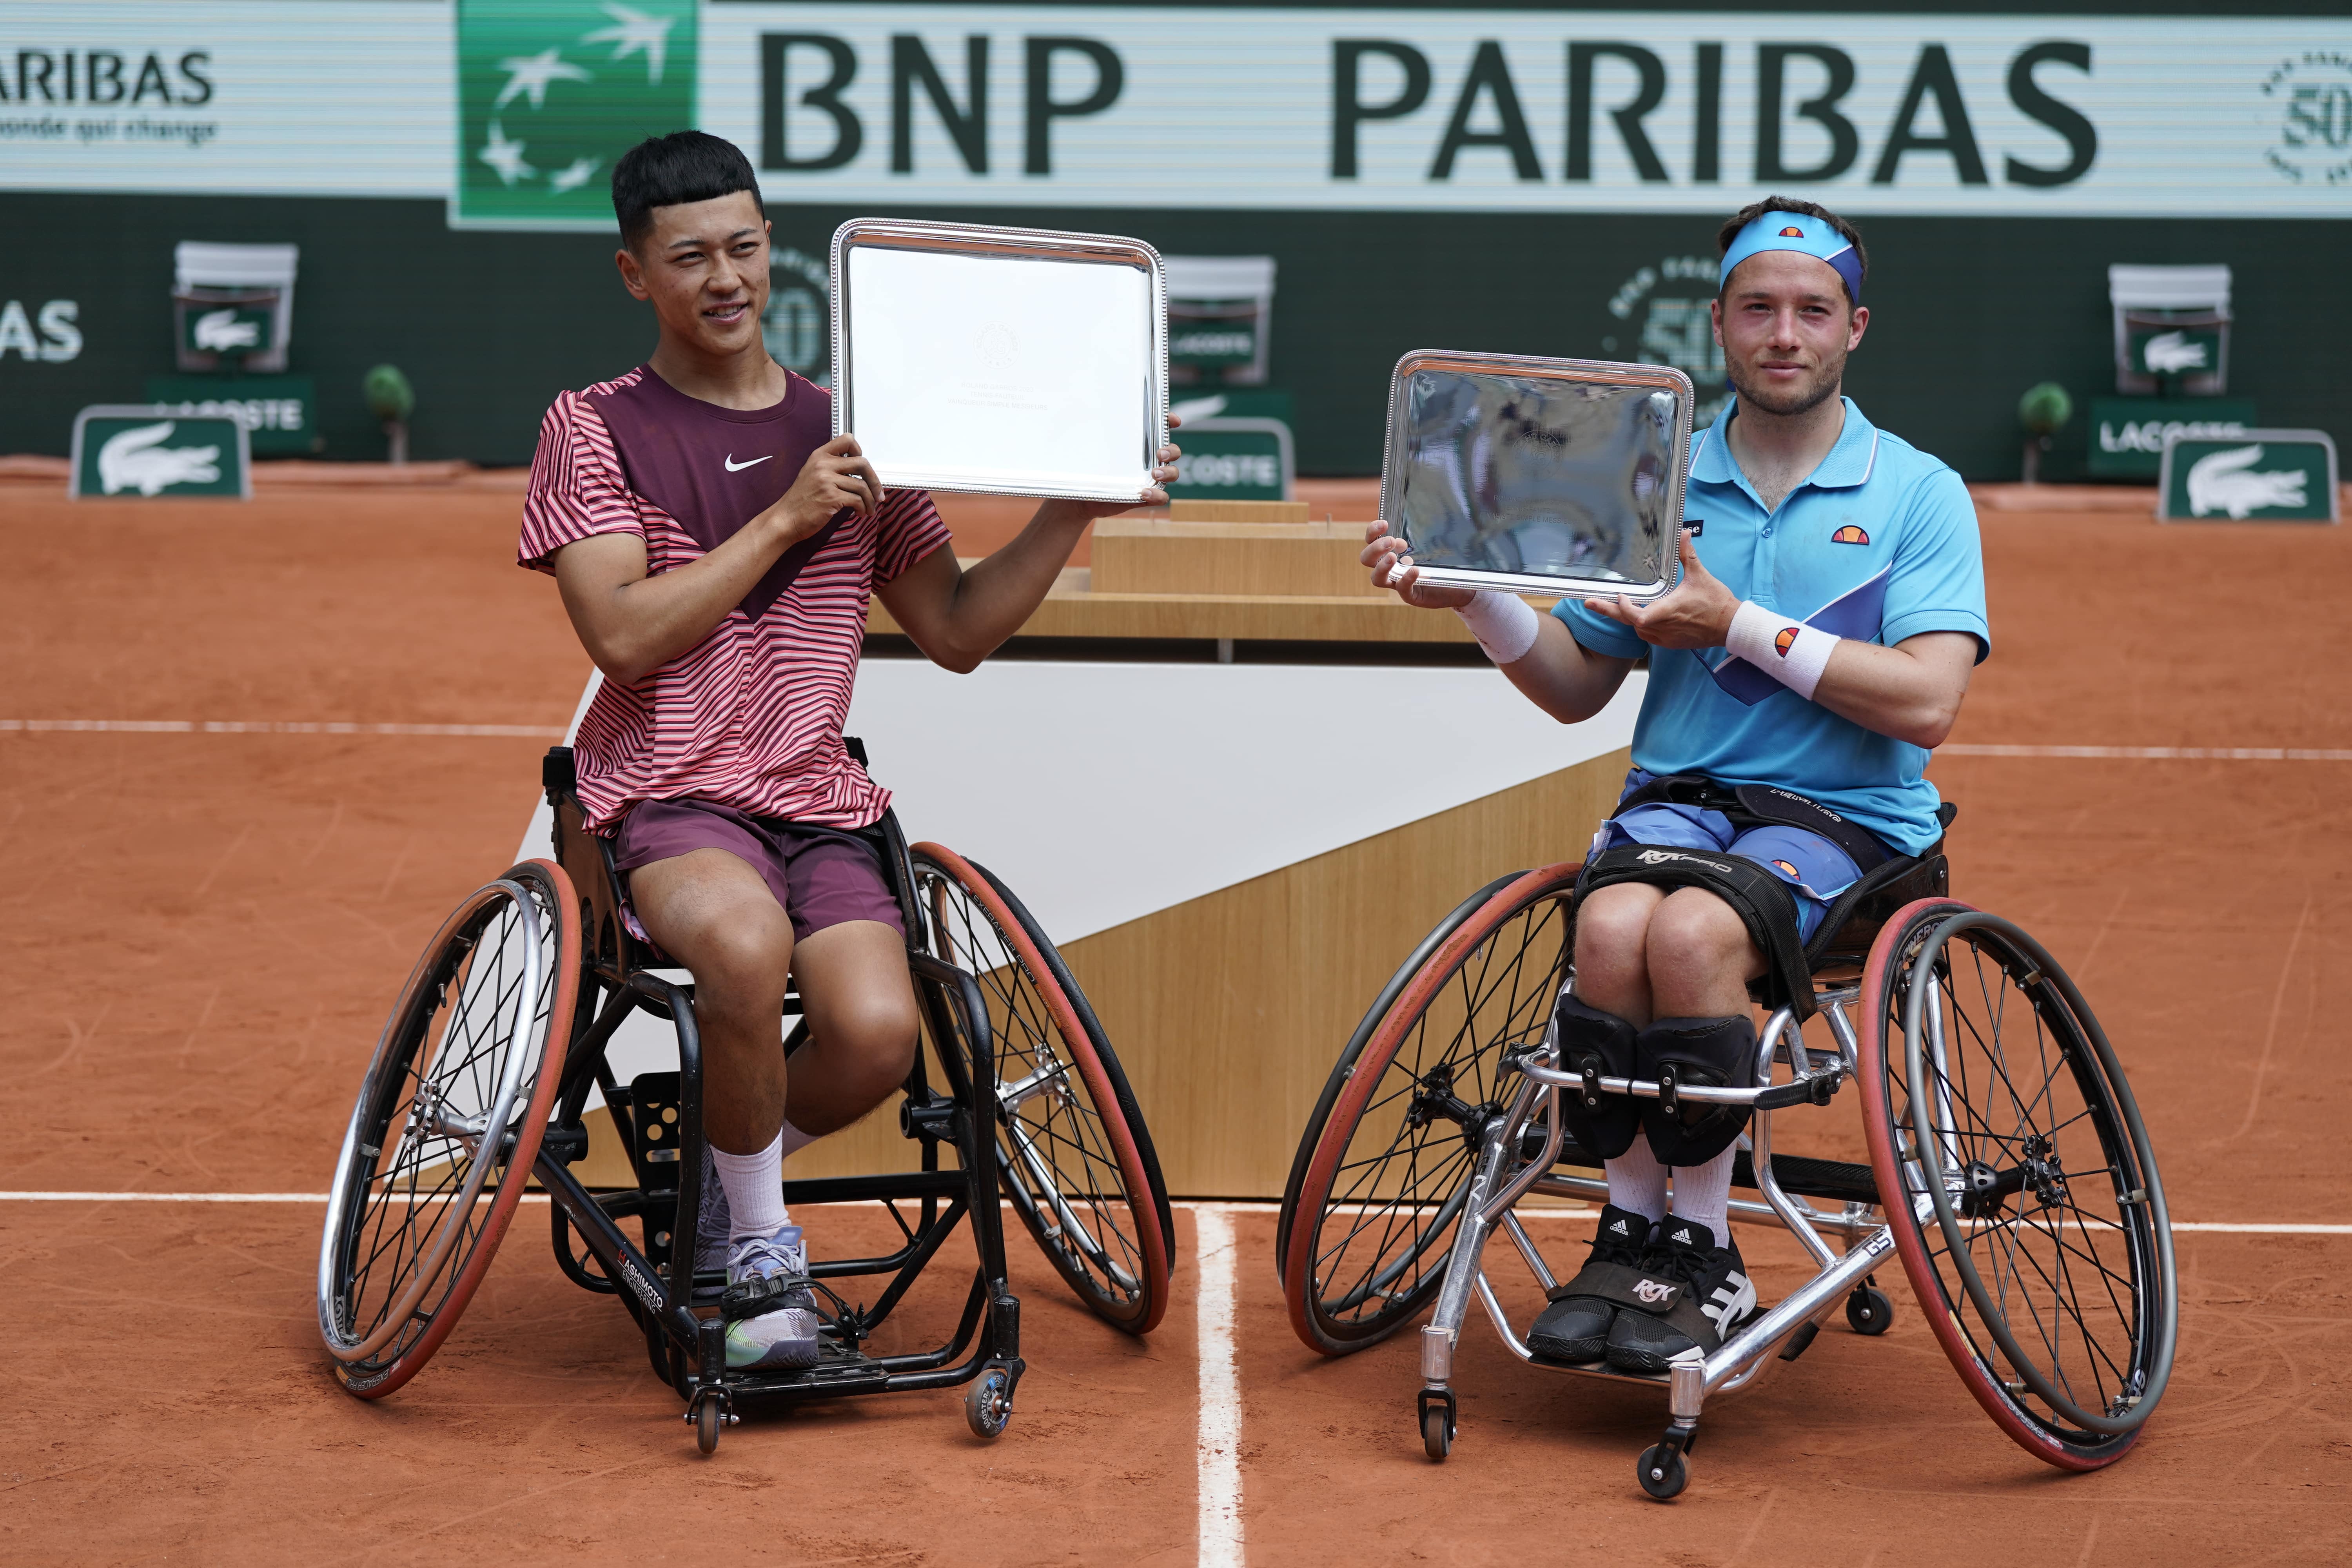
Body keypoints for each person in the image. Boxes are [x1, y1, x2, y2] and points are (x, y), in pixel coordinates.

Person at [517, 132, 1178, 1370]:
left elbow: (958, 629)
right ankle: (763, 1258)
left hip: (818, 804)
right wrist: (786, 518)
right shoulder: (593, 426)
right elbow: (622, 635)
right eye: (690, 258)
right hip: (667, 794)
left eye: (745, 248)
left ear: (774, 248)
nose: (726, 278)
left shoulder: (859, 430)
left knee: (878, 1035)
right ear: (635, 274)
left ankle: (721, 1184)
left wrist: (1076, 505)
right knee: (742, 944)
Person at [1363, 196, 1988, 1373]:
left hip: (1851, 821)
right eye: (1759, 308)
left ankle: (1704, 1254)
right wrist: (1473, 596)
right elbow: (1572, 685)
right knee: (1609, 928)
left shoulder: (1918, 492)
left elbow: (1927, 703)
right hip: (1679, 803)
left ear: (1856, 326)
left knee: (1692, 937)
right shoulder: (1655, 476)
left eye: (1813, 311)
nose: (1785, 334)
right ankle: (1629, 1233)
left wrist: (1738, 625)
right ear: (1719, 324)